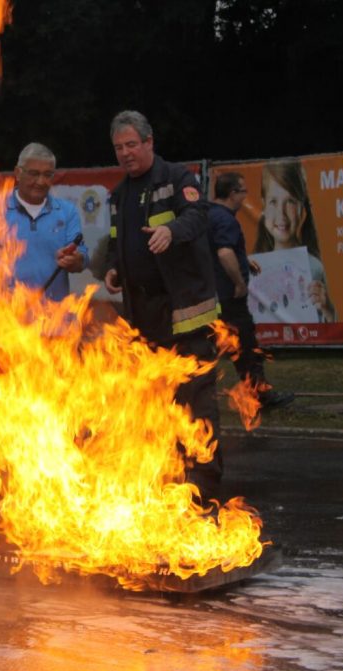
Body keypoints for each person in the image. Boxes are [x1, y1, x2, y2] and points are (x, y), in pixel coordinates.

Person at [102, 110, 222, 497]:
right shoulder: (119, 195)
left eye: (132, 145)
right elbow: (120, 241)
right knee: (155, 401)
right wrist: (114, 269)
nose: (125, 154)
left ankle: (203, 484)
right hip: (145, 320)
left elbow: (199, 216)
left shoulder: (177, 178)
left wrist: (171, 231)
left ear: (149, 142)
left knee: (194, 401)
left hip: (187, 316)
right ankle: (168, 482)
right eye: (119, 147)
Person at [208, 172, 295, 409]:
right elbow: (224, 253)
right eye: (243, 191)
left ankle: (253, 393)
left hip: (213, 298)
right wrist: (239, 282)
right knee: (246, 347)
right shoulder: (225, 220)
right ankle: (260, 396)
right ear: (233, 194)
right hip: (229, 298)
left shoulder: (208, 215)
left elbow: (220, 250)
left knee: (229, 348)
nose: (246, 196)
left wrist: (244, 261)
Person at [254, 160, 336, 322]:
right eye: (273, 202)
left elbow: (328, 327)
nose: (281, 215)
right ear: (263, 205)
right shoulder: (253, 268)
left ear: (302, 208)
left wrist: (328, 311)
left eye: (290, 201)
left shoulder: (314, 267)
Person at [5, 142, 87, 302]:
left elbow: (81, 259)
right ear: (18, 173)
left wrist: (75, 260)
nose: (41, 181)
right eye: (34, 174)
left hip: (55, 319)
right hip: (5, 318)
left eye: (48, 174)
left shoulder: (67, 211)